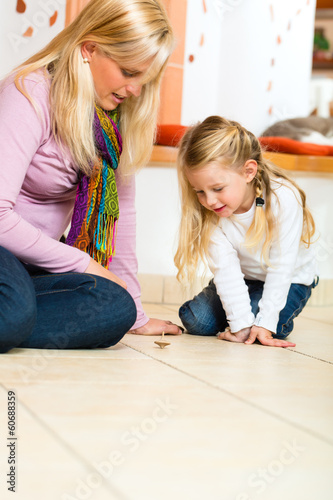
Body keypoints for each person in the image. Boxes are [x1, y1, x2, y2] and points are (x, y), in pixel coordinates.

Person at [0, 0, 182, 354]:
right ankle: (13, 315)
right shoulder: (29, 93)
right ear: (89, 49)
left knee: (117, 307)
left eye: (144, 79)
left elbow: (122, 215)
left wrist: (138, 314)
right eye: (129, 72)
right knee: (15, 311)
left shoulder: (112, 122)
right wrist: (86, 264)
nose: (135, 90)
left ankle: (14, 317)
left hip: (29, 265)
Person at [174, 116, 319, 348]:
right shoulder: (211, 213)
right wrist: (240, 326)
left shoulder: (284, 198)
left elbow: (282, 267)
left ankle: (260, 313)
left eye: (218, 188)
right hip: (246, 278)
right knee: (197, 321)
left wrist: (265, 322)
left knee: (267, 328)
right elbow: (226, 270)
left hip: (291, 280)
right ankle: (248, 311)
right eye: (199, 191)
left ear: (248, 172)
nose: (209, 200)